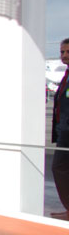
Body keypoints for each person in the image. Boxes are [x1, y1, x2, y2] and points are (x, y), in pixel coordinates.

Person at [51, 39, 69, 218]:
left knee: (59, 167)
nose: (64, 55)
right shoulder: (67, 75)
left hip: (67, 129)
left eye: (67, 52)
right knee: (61, 168)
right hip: (64, 130)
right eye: (62, 52)